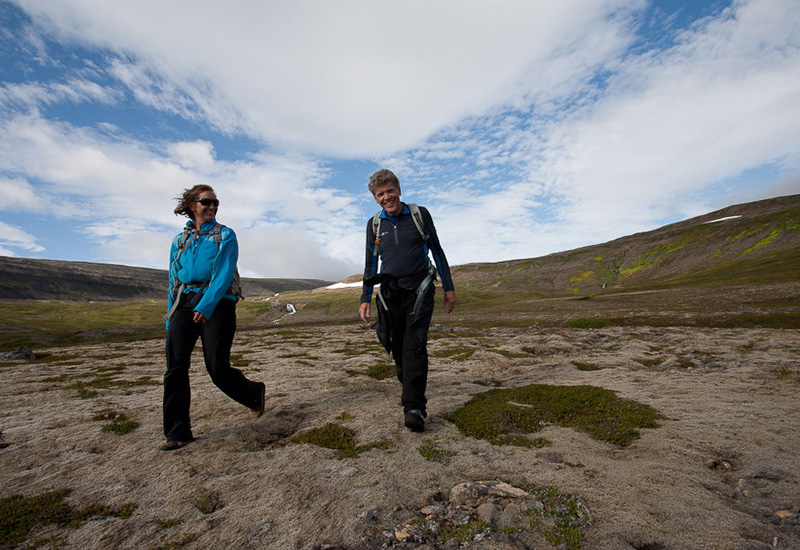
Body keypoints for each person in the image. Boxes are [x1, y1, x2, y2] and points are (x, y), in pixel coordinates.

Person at [161, 184, 265, 451]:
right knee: (175, 368)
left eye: (216, 203)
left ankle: (253, 394)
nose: (213, 207)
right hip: (184, 302)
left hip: (218, 303)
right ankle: (178, 432)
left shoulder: (226, 235)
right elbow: (174, 278)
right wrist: (171, 314)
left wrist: (206, 306)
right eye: (207, 202)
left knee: (217, 367)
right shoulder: (179, 240)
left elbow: (223, 273)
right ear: (192, 205)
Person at [359, 169, 456, 432]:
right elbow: (370, 261)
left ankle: (414, 408)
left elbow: (437, 250)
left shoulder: (419, 215)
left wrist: (449, 287)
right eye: (380, 194)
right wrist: (365, 297)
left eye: (390, 191)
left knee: (414, 345)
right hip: (389, 293)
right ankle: (409, 382)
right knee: (396, 346)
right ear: (375, 198)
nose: (386, 197)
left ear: (399, 190)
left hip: (420, 289)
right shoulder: (374, 225)